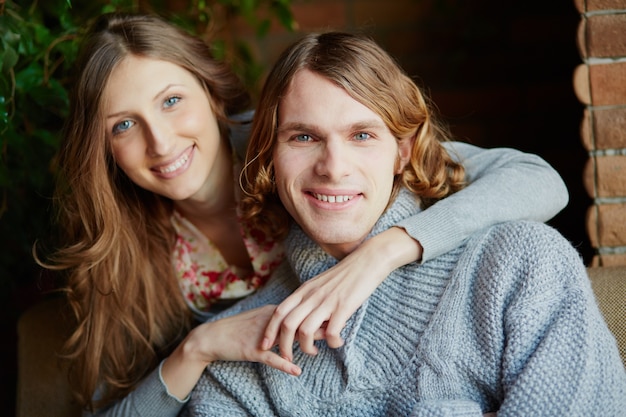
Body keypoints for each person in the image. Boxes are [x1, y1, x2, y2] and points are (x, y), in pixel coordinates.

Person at [36, 13, 570, 416]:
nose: (160, 140)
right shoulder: (122, 250)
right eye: (122, 126)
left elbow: (537, 180)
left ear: (210, 91)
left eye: (171, 101)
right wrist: (196, 348)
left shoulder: (299, 143)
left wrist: (385, 251)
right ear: (102, 148)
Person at [184, 32, 626, 416]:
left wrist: (389, 249)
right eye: (303, 136)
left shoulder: (521, 264)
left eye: (362, 135)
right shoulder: (240, 351)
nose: (333, 168)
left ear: (403, 151)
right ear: (269, 155)